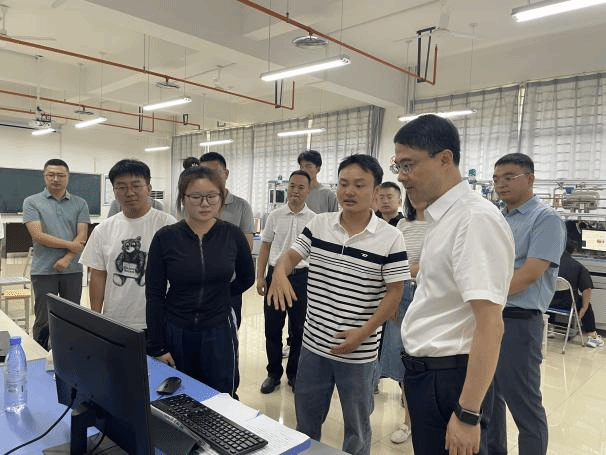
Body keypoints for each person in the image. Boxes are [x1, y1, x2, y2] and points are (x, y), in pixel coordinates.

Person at [268, 154, 408, 455]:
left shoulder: (391, 237)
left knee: (357, 427)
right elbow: (289, 258)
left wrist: (363, 333)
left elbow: (395, 292)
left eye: (359, 185)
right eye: (343, 184)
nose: (349, 191)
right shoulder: (319, 224)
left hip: (359, 352)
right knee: (306, 421)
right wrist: (279, 273)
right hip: (313, 346)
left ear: (375, 191)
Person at [395, 115, 515, 455]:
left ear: (444, 159)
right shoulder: (443, 217)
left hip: (450, 381)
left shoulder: (474, 219)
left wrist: (468, 413)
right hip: (429, 376)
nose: (401, 176)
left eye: (408, 165)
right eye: (397, 166)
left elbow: (490, 324)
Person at [146, 166, 255, 397]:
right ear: (183, 198)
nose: (204, 203)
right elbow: (154, 294)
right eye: (196, 197)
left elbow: (247, 276)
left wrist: (220, 295)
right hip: (176, 327)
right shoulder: (166, 237)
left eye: (212, 196)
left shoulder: (232, 235)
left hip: (219, 328)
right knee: (178, 395)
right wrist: (157, 346)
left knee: (222, 395)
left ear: (221, 197)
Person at [488, 152, 566, 455]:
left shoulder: (546, 219)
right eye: (496, 179)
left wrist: (483, 293)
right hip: (488, 316)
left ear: (529, 179)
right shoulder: (497, 217)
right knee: (489, 399)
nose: (501, 184)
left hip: (519, 321)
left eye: (509, 177)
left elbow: (530, 274)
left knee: (524, 404)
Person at [80, 159, 176, 330]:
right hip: (115, 318)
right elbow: (98, 275)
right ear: (114, 192)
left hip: (159, 318)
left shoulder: (168, 225)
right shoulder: (103, 229)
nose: (130, 193)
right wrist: (96, 317)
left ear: (149, 188)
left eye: (136, 186)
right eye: (122, 187)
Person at [256, 170, 315, 394]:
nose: (295, 191)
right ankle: (273, 373)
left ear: (308, 190)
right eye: (292, 186)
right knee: (272, 327)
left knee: (299, 330)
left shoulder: (315, 219)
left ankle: (294, 374)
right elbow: (265, 247)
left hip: (302, 278)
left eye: (300, 187)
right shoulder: (274, 216)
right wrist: (260, 277)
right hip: (274, 277)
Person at [375, 194, 427, 445]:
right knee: (402, 359)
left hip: (426, 295)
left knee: (424, 360)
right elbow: (395, 261)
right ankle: (408, 423)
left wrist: (403, 271)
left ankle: (421, 418)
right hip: (402, 293)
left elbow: (430, 264)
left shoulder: (442, 224)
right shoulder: (404, 224)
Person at [23, 159, 90, 350]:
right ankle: (41, 353)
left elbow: (82, 235)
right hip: (44, 270)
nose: (56, 179)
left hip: (73, 269)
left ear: (68, 177)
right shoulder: (31, 202)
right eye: (51, 174)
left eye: (61, 175)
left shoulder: (80, 203)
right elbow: (38, 236)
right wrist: (71, 245)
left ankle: (71, 353)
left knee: (72, 316)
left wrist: (67, 258)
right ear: (44, 176)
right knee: (44, 318)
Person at [199, 151, 254, 328]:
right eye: (204, 173)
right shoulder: (194, 204)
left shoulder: (241, 206)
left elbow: (247, 246)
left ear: (226, 174)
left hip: (229, 286)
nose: (209, 177)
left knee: (229, 333)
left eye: (215, 172)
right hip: (197, 285)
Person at [549, 239, 604, 347]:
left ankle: (550, 326)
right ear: (574, 251)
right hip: (568, 303)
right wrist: (584, 308)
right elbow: (587, 289)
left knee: (552, 293)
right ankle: (592, 336)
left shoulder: (549, 263)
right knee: (586, 304)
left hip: (547, 302)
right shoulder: (578, 267)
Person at [297, 150, 339, 214]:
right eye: (301, 167)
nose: (304, 170)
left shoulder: (328, 195)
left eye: (308, 166)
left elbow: (334, 218)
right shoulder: (295, 193)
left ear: (318, 169)